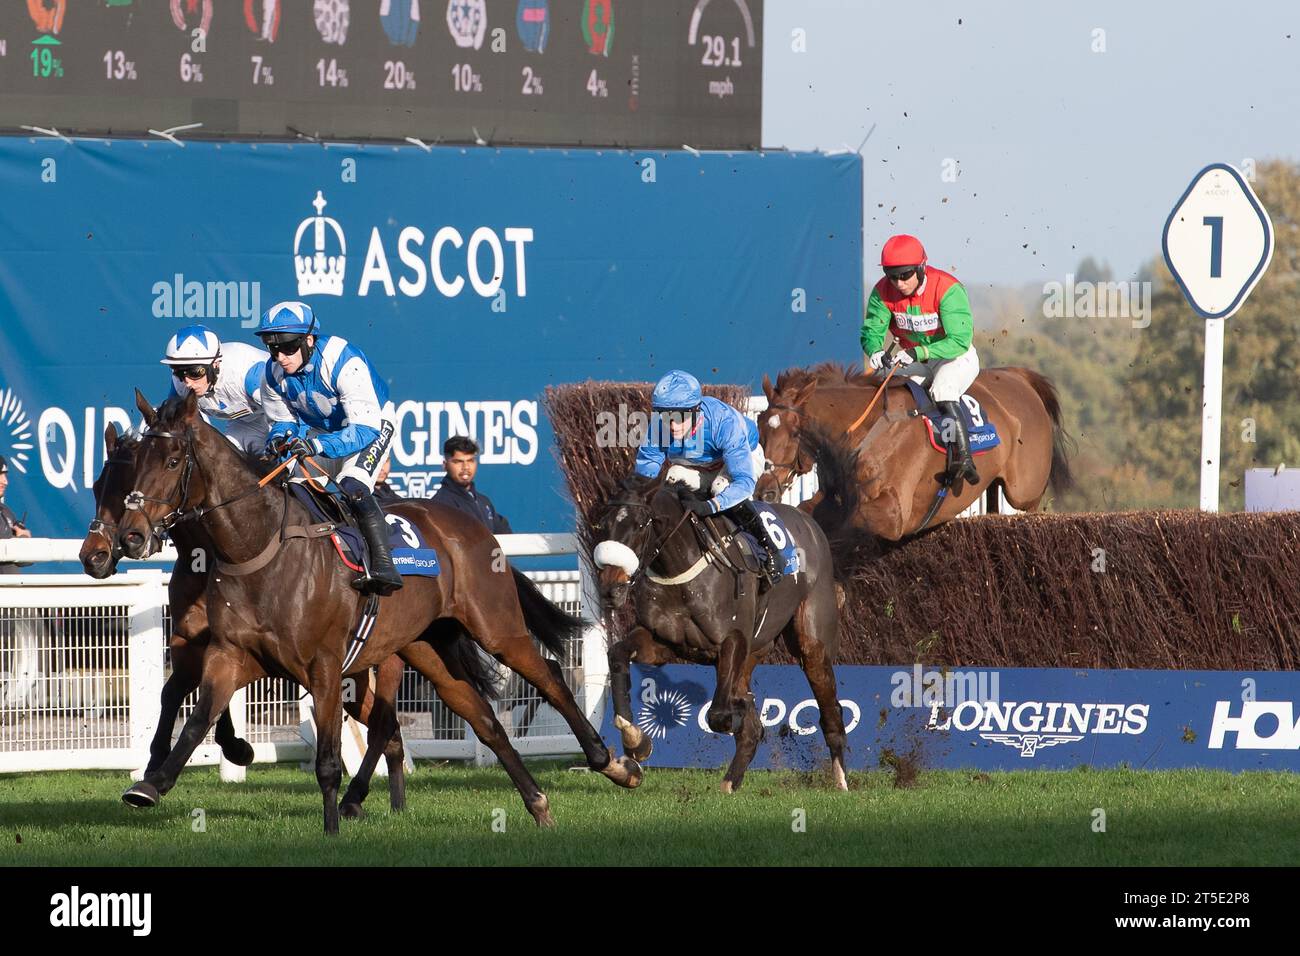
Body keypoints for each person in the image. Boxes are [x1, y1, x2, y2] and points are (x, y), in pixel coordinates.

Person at [254, 300, 403, 595]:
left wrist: (315, 444)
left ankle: (384, 566)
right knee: (296, 491)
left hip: (371, 425)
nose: (280, 357)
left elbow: (363, 429)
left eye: (287, 347)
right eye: (273, 348)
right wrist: (278, 441)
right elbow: (281, 422)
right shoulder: (271, 374)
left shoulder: (343, 361)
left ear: (309, 340)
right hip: (324, 432)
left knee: (353, 486)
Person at [633, 369, 782, 588]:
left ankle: (769, 549)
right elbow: (647, 470)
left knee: (720, 486)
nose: (672, 426)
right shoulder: (659, 427)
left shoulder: (724, 422)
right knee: (670, 479)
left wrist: (711, 506)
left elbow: (743, 482)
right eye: (666, 416)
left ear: (696, 410)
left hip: (741, 460)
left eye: (679, 417)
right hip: (698, 466)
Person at [861, 234, 981, 488]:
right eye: (892, 276)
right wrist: (873, 350)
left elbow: (959, 339)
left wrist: (918, 353)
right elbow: (872, 331)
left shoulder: (947, 288)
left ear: (921, 268)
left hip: (955, 356)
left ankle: (963, 456)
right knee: (885, 386)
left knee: (942, 389)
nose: (899, 283)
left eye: (905, 275)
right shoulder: (883, 291)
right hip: (914, 357)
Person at [160, 325, 271, 454]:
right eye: (179, 372)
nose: (188, 383)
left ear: (216, 364)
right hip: (244, 422)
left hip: (281, 414)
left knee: (288, 463)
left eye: (195, 372)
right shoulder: (180, 384)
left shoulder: (248, 375)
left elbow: (291, 412)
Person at [431, 436, 513, 533]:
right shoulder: (440, 505)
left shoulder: (484, 502)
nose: (465, 467)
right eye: (458, 462)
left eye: (470, 461)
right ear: (445, 465)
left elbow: (507, 539)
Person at [0, 455, 33, 574]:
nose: (5, 481)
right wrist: (23, 539)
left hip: (11, 590)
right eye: (0, 474)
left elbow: (26, 560)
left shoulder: (5, 511)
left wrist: (22, 538)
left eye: (5, 475)